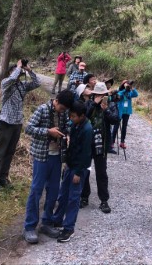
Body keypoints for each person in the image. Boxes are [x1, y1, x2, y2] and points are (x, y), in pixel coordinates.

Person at [23, 90, 74, 244]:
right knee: (36, 190)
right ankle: (29, 227)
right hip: (41, 156)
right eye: (62, 108)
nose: (63, 111)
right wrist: (47, 131)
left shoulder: (64, 113)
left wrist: (68, 135)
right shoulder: (42, 109)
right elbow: (28, 128)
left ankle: (47, 222)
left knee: (53, 191)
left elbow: (67, 127)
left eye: (65, 110)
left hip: (57, 157)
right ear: (56, 101)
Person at [0, 60, 41, 192]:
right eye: (15, 71)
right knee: (0, 152)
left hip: (17, 123)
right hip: (5, 122)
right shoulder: (6, 84)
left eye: (18, 71)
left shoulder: (22, 86)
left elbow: (37, 83)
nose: (17, 74)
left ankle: (3, 177)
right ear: (11, 72)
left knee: (10, 152)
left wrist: (29, 70)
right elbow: (11, 78)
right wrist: (17, 67)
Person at [52, 101, 92, 243]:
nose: (71, 118)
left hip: (79, 168)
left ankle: (69, 228)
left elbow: (86, 154)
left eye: (74, 116)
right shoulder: (75, 125)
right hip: (70, 164)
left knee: (73, 198)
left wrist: (79, 173)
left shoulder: (87, 129)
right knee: (63, 194)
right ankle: (57, 220)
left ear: (82, 116)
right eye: (70, 116)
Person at [80, 81, 118, 212]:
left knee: (101, 173)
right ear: (94, 93)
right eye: (98, 94)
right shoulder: (88, 103)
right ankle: (84, 196)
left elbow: (116, 119)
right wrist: (94, 104)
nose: (100, 96)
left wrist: (106, 109)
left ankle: (104, 200)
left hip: (101, 145)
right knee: (85, 170)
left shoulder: (111, 104)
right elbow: (82, 117)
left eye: (103, 94)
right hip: (87, 144)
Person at [111, 80, 138, 150]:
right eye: (126, 84)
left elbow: (136, 94)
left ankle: (122, 142)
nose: (128, 86)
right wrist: (124, 90)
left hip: (127, 112)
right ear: (123, 85)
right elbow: (118, 96)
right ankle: (112, 141)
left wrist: (131, 88)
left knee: (124, 127)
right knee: (116, 126)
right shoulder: (120, 91)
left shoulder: (130, 92)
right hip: (120, 111)